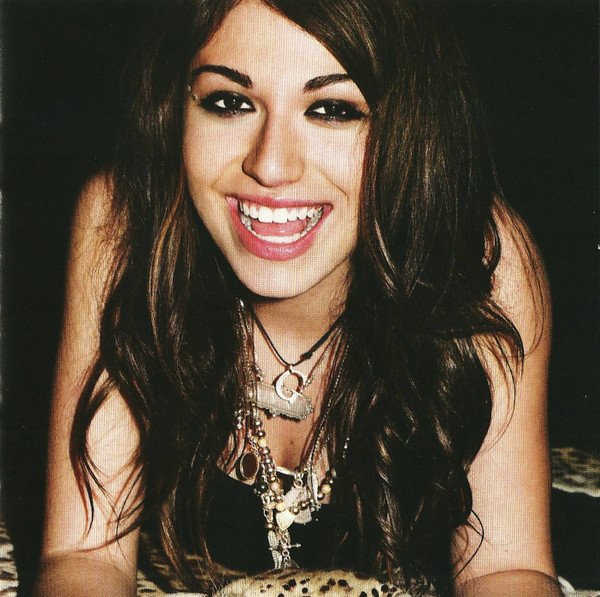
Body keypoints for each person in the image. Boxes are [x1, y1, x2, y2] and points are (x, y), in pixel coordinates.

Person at [34, 0, 559, 595]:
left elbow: (507, 568)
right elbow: (85, 556)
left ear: (413, 127)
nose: (271, 166)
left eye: (333, 109)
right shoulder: (123, 228)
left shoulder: (481, 258)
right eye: (229, 102)